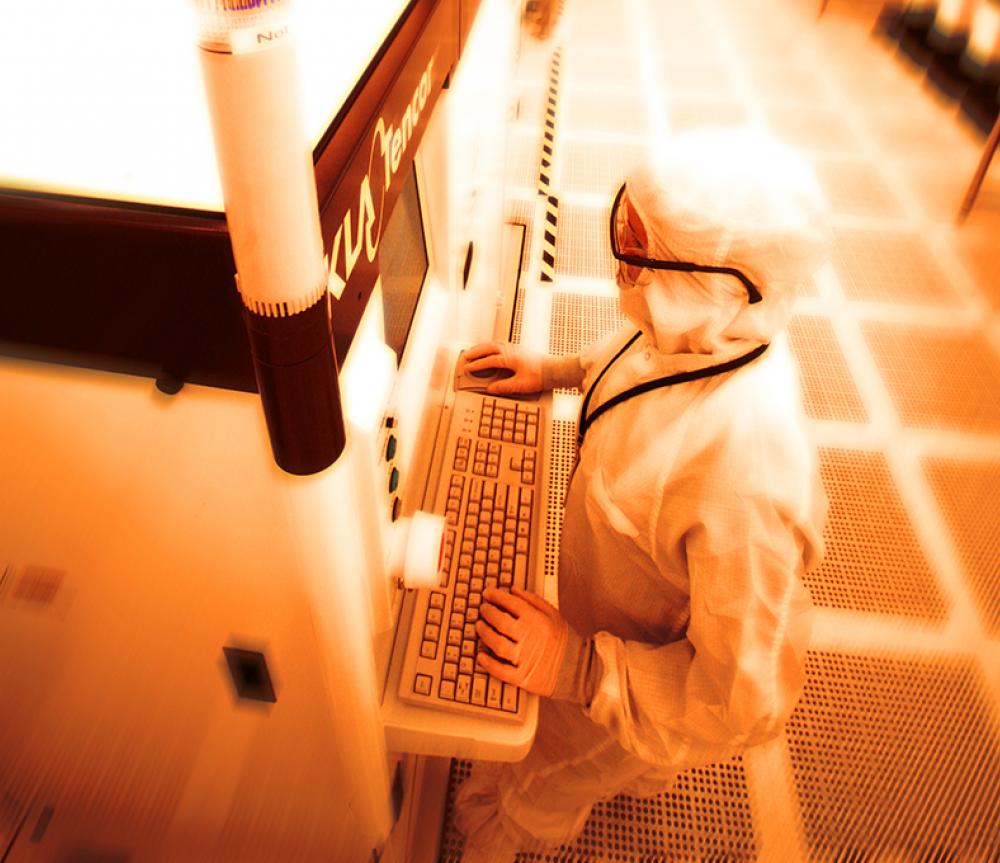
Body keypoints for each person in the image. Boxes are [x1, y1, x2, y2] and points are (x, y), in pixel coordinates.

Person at [453, 127, 831, 862]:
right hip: (616, 601)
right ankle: (647, 757)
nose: (624, 283)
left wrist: (577, 668)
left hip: (634, 668)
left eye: (641, 267)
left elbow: (739, 698)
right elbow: (636, 353)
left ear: (726, 291)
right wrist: (558, 368)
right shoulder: (707, 333)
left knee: (543, 778)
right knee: (636, 749)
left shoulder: (744, 474)